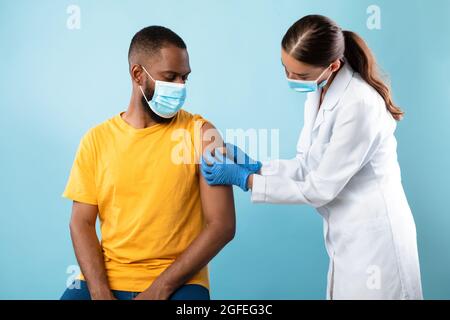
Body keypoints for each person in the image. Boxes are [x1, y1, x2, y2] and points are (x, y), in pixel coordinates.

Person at [201, 15, 422, 300]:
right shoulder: (318, 90)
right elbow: (308, 163)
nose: (291, 80)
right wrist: (257, 166)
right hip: (346, 236)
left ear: (332, 65)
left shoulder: (360, 104)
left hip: (377, 239)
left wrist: (247, 180)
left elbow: (320, 187)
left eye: (301, 76)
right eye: (286, 70)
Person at [60, 26, 235, 300]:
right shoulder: (96, 140)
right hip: (104, 277)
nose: (180, 87)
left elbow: (222, 224)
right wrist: (98, 291)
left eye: (184, 78)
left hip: (180, 282)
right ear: (138, 75)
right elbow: (81, 223)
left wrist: (160, 289)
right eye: (170, 77)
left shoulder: (202, 134)